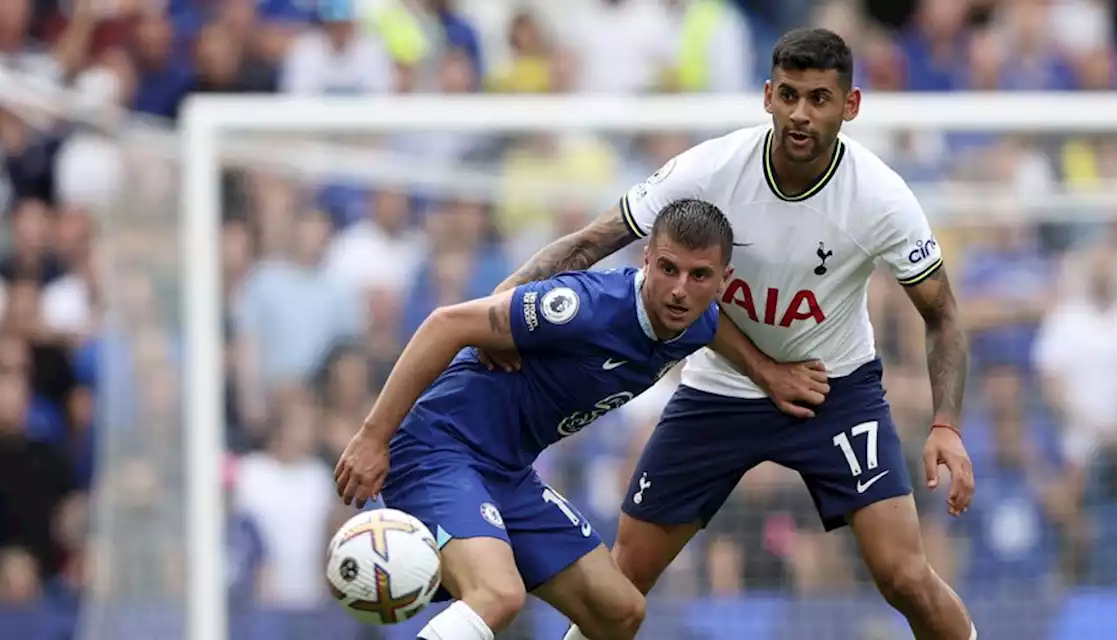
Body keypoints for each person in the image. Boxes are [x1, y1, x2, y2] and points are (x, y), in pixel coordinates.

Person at [483, 28, 979, 640]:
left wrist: (946, 425)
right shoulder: (710, 170)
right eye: (789, 95)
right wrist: (498, 308)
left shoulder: (880, 199)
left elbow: (944, 316)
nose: (801, 114)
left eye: (819, 99)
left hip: (835, 388)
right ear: (767, 96)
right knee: (622, 581)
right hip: (719, 387)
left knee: (904, 574)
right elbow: (590, 242)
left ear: (849, 106)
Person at [333, 199, 828, 640]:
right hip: (438, 450)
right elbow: (447, 323)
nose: (680, 289)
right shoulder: (585, 308)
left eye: (699, 276)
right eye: (669, 269)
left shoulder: (697, 318)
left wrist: (768, 373)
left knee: (620, 611)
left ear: (723, 280)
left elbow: (715, 328)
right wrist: (373, 437)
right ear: (647, 260)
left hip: (506, 473)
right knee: (498, 594)